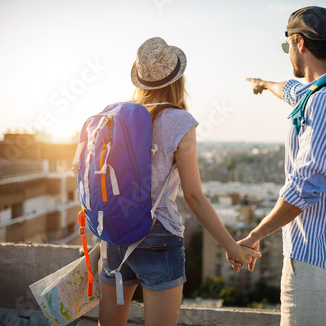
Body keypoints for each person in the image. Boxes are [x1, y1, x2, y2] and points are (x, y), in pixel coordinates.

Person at [98, 37, 261, 326]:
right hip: (158, 235)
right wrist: (232, 247)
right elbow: (194, 196)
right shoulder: (180, 121)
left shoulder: (116, 117)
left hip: (114, 234)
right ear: (177, 79)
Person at [230, 6, 326, 326]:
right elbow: (291, 91)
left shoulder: (324, 102)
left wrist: (254, 235)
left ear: (299, 43)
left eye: (287, 45)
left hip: (312, 260)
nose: (288, 53)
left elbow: (305, 186)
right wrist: (264, 83)